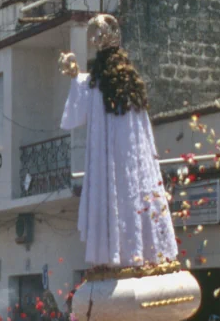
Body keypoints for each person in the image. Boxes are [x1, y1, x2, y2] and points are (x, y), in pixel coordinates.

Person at [57, 14, 177, 267]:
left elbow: (78, 110)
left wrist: (75, 75)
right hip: (127, 159)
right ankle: (141, 251)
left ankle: (118, 253)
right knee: (130, 195)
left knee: (116, 195)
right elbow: (83, 93)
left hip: (112, 158)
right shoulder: (128, 85)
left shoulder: (98, 84)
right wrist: (76, 75)